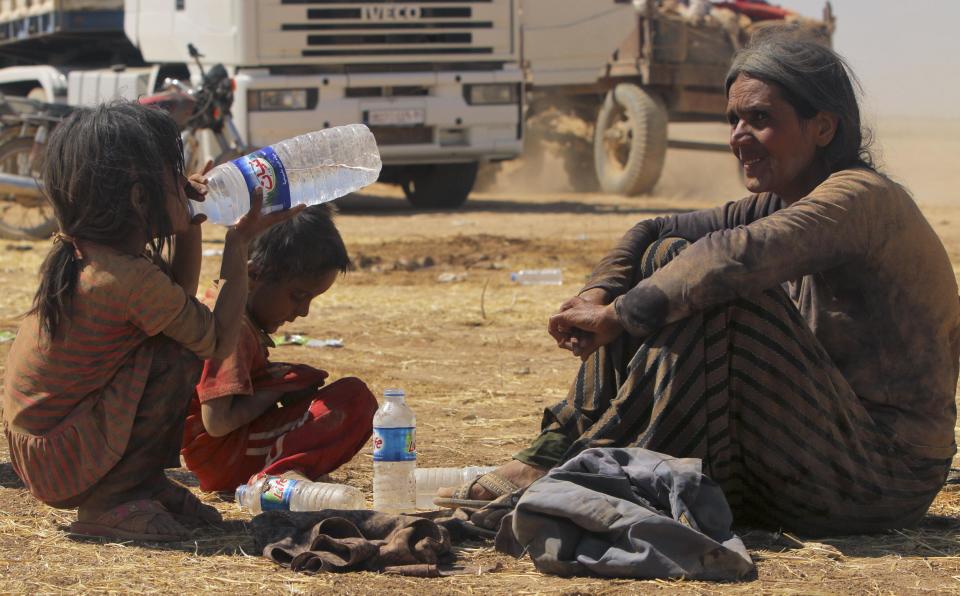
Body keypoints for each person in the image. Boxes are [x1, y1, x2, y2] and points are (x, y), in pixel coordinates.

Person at [437, 35, 960, 536]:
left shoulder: (862, 198)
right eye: (734, 119)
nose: (738, 137)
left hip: (879, 478)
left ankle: (589, 468)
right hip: (803, 452)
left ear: (822, 126)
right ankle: (562, 451)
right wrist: (600, 292)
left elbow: (733, 258)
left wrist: (618, 317)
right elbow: (654, 230)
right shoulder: (781, 199)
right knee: (669, 257)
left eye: (760, 119)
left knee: (714, 281)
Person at [2, 102, 300, 542]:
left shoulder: (101, 258)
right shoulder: (127, 279)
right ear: (139, 199)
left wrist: (188, 223)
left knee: (175, 337)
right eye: (173, 176)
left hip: (51, 448)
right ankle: (111, 502)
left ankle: (140, 485)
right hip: (62, 459)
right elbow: (215, 342)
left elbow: (178, 301)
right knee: (179, 352)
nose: (185, 184)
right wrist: (238, 244)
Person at [180, 205, 377, 493]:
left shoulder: (224, 308)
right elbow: (218, 422)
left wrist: (280, 378)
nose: (304, 311)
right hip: (225, 458)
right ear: (253, 274)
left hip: (227, 454)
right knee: (354, 400)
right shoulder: (232, 325)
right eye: (298, 296)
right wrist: (276, 388)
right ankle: (278, 477)